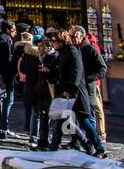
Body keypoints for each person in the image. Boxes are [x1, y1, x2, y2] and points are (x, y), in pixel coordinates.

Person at [51, 28, 106, 156]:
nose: (53, 43)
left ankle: (97, 147)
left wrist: (71, 89)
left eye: (54, 41)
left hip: (77, 92)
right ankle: (56, 146)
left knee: (85, 121)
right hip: (67, 91)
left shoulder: (75, 51)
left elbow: (77, 73)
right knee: (61, 119)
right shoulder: (64, 52)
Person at [73, 24, 109, 143]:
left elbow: (102, 69)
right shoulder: (75, 49)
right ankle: (78, 141)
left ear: (80, 36)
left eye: (73, 36)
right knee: (77, 115)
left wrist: (87, 78)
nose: (71, 39)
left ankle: (94, 141)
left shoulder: (90, 49)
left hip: (89, 88)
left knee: (90, 114)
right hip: (77, 88)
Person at [15, 32, 42, 148]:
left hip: (27, 87)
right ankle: (38, 136)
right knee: (37, 114)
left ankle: (31, 133)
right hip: (38, 89)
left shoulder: (24, 57)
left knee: (31, 112)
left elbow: (21, 69)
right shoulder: (39, 60)